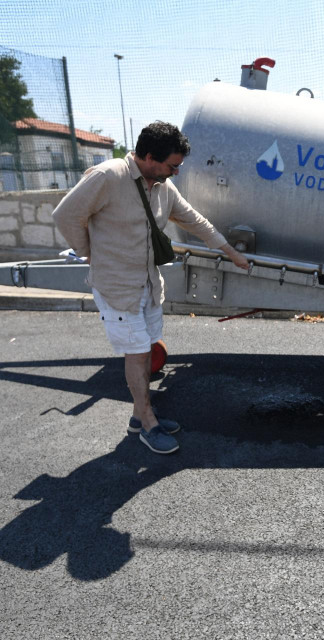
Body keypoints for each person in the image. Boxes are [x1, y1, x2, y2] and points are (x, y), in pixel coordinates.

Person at [52, 121, 249, 454]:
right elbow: (66, 215)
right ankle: (148, 423)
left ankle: (137, 414)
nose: (175, 172)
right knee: (138, 351)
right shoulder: (108, 176)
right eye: (172, 166)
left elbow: (194, 220)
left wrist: (229, 251)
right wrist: (89, 253)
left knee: (146, 348)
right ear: (148, 156)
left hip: (147, 283)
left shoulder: (162, 187)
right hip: (117, 287)